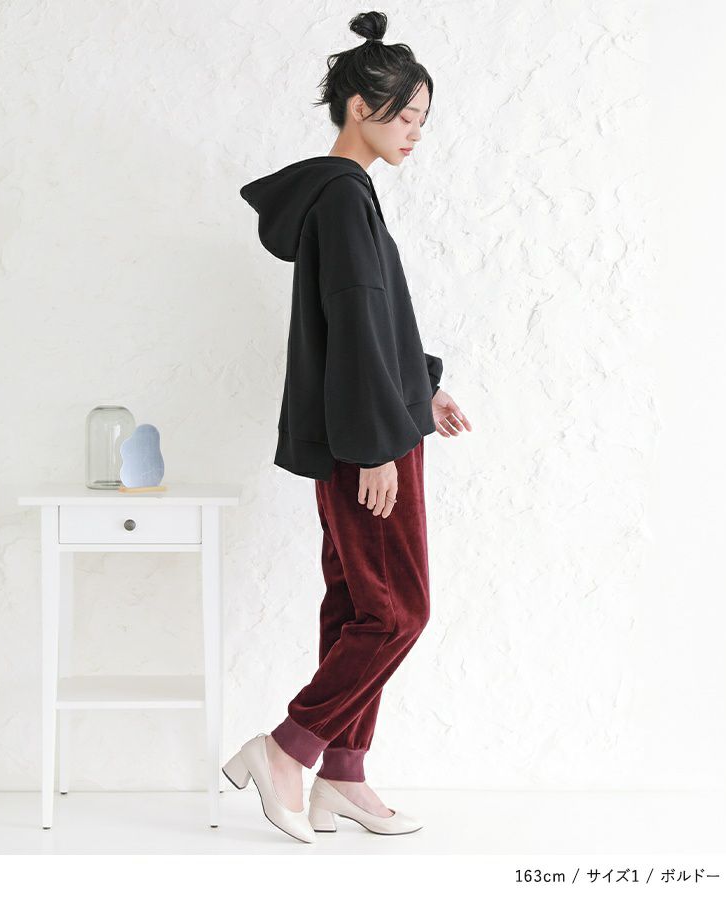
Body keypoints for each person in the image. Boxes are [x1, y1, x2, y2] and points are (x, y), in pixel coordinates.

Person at [225, 10, 471, 843]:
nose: (417, 133)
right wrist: (376, 444)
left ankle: (343, 773)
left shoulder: (345, 196)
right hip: (368, 442)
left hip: (375, 426)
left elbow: (372, 320)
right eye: (408, 116)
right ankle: (287, 748)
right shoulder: (340, 198)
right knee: (397, 612)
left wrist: (422, 389)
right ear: (362, 107)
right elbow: (358, 322)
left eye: (424, 119)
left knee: (358, 607)